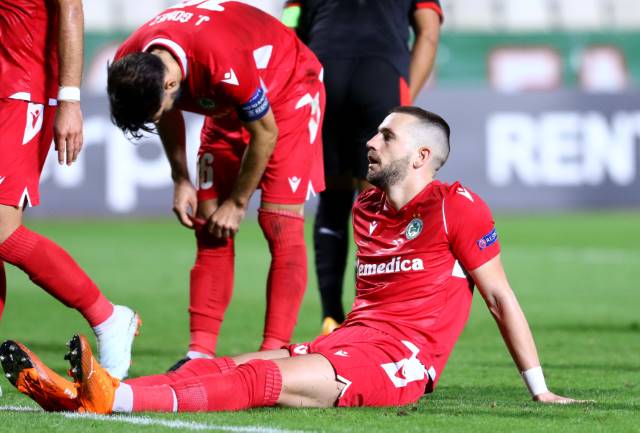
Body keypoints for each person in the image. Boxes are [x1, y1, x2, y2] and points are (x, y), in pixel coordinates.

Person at [1, 107, 584, 412]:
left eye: (387, 136)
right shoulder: (367, 206)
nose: (372, 141)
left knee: (262, 379)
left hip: (400, 361)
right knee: (217, 367)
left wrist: (538, 389)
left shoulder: (457, 206)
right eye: (376, 133)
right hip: (351, 340)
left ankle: (116, 399)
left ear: (422, 156)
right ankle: (80, 394)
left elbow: (499, 297)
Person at [106, 0, 325, 367]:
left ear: (171, 83)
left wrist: (237, 203)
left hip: (288, 94)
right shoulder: (132, 61)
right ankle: (199, 354)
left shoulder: (219, 60)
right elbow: (166, 112)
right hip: (227, 106)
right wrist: (181, 178)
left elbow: (265, 133)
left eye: (159, 108)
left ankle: (273, 356)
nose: (161, 114)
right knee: (209, 227)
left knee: (279, 224)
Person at [283, 0, 443, 334]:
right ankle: (372, 316)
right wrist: (403, 105)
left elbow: (289, 26)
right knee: (379, 203)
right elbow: (428, 33)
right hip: (381, 74)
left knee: (332, 199)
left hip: (323, 74)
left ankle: (331, 316)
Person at [0, 0, 138, 379]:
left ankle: (108, 317)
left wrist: (70, 100)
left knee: (3, 230)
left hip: (22, 92)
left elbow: (71, 8)